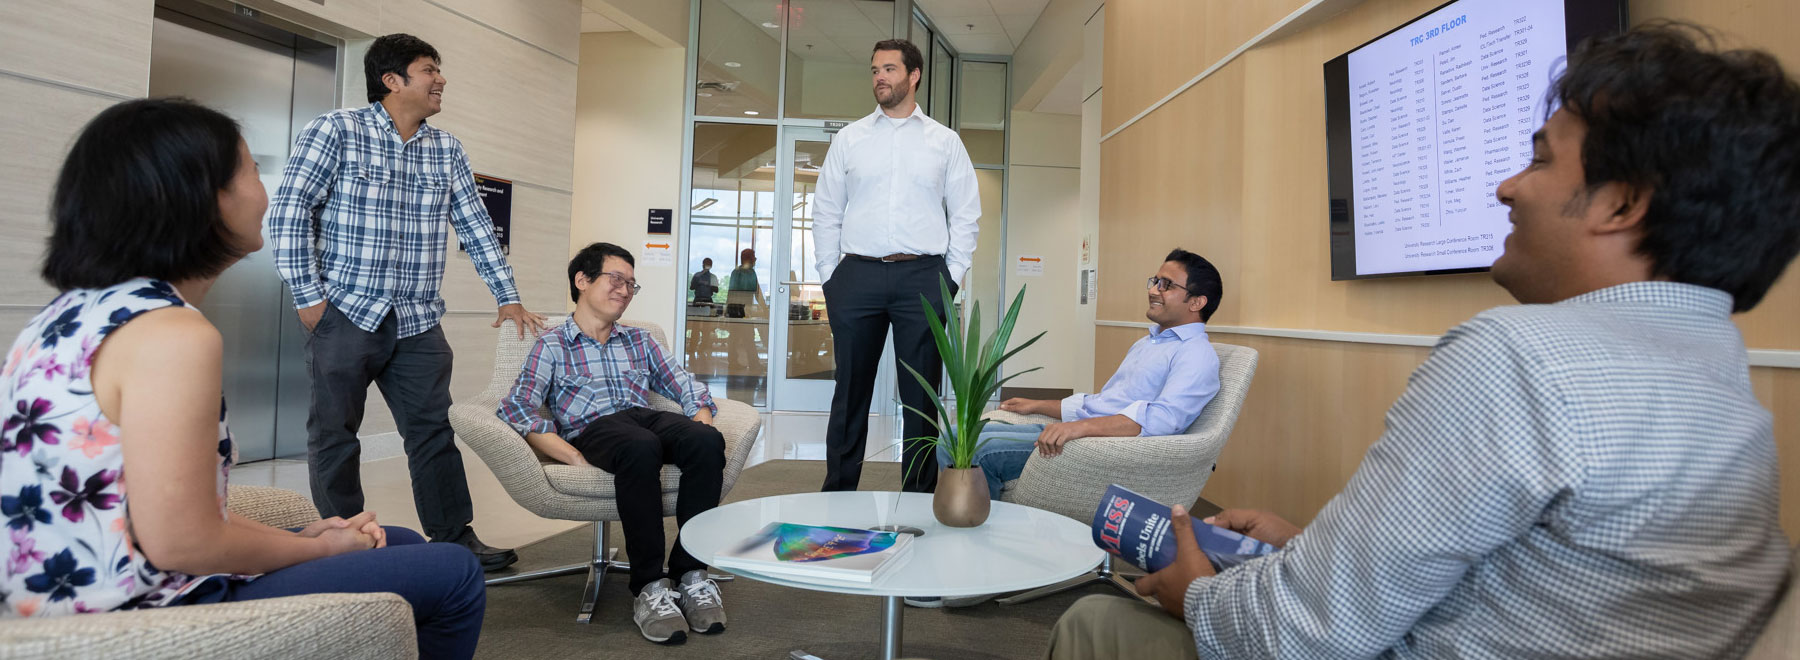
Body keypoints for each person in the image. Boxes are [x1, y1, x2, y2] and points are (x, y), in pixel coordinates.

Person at [1048, 23, 1800, 659]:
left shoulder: (1518, 358)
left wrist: (1201, 596)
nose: (1507, 187)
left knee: (1094, 621)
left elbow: (1304, 633)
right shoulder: (1727, 385)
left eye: (1540, 158)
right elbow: (1536, 583)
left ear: (1624, 202)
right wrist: (1309, 545)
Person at [0, 98, 484, 658]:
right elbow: (183, 540)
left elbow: (160, 511)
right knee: (452, 573)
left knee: (395, 541)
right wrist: (321, 552)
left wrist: (304, 536)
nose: (267, 193)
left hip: (70, 597)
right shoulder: (171, 335)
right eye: (253, 171)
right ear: (203, 199)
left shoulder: (75, 312)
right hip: (139, 617)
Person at [268, 33, 545, 572]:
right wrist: (309, 299)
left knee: (433, 432)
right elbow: (289, 212)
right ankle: (346, 543)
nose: (440, 79)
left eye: (438, 68)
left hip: (418, 319)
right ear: (392, 80)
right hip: (344, 310)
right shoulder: (337, 131)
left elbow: (476, 227)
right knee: (334, 436)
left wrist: (507, 297)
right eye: (428, 69)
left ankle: (454, 537)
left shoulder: (446, 149)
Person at [496, 243, 728, 646]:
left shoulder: (640, 341)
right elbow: (516, 408)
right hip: (595, 428)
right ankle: (650, 587)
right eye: (615, 279)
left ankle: (691, 574)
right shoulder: (553, 345)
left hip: (644, 420)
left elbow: (686, 386)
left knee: (706, 440)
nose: (624, 290)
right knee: (639, 445)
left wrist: (702, 417)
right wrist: (568, 454)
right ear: (582, 281)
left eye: (631, 284)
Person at [813, 38, 982, 493]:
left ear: (914, 75)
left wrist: (950, 276)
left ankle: (917, 497)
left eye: (889, 69)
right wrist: (832, 277)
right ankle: (839, 492)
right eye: (874, 70)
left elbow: (966, 214)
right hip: (857, 276)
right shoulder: (850, 139)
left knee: (920, 397)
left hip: (923, 278)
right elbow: (826, 210)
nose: (879, 78)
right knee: (850, 392)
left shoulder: (944, 142)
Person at [938, 249, 1221, 501]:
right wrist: (1038, 405)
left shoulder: (1196, 355)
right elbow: (1105, 402)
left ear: (1196, 302)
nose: (1153, 290)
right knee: (952, 438)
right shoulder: (1150, 342)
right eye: (1155, 281)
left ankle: (982, 541)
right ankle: (954, 519)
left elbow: (1163, 421)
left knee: (976, 453)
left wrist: (1076, 429)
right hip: (1080, 433)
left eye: (1166, 285)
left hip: (1095, 447)